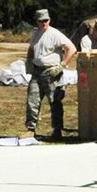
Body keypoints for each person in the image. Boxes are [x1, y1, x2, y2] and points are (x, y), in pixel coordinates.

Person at [24, 9, 77, 138]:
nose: (44, 23)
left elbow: (72, 48)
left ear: (49, 20)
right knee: (32, 100)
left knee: (55, 101)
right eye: (41, 21)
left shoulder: (55, 34)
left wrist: (62, 65)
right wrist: (29, 62)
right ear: (36, 21)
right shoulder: (35, 34)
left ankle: (57, 130)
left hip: (52, 72)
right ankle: (31, 129)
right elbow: (31, 49)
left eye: (46, 20)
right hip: (37, 71)